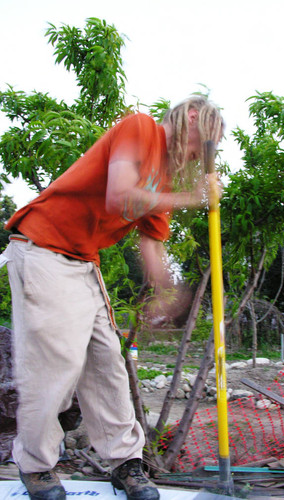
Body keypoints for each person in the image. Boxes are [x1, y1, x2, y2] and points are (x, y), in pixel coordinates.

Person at [2, 96, 224, 500]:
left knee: (107, 364)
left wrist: (167, 292)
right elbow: (120, 194)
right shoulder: (140, 129)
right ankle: (35, 465)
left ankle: (126, 463)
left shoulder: (165, 180)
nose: (198, 156)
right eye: (203, 145)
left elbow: (152, 246)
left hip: (84, 262)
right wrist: (195, 199)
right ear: (193, 116)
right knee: (55, 363)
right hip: (42, 248)